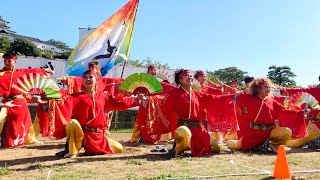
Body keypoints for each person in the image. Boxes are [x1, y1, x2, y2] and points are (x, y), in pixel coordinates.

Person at [52, 70, 143, 158]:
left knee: (119, 148)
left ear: (96, 81)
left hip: (99, 136)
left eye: (91, 77)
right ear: (83, 81)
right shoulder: (76, 97)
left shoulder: (103, 96)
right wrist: (44, 99)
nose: (88, 79)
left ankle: (94, 149)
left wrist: (137, 100)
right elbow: (61, 101)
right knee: (72, 123)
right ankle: (73, 151)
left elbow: (121, 104)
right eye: (85, 77)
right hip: (83, 135)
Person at [162, 69, 236, 157]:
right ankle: (179, 147)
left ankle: (186, 146)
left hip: (199, 129)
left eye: (191, 76)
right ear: (180, 80)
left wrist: (233, 96)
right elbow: (163, 102)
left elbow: (215, 99)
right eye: (186, 75)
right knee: (183, 131)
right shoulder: (175, 93)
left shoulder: (197, 94)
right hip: (185, 129)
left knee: (216, 149)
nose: (190, 77)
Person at [226, 77, 306, 153]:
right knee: (237, 147)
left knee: (286, 131)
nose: (269, 89)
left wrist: (302, 112)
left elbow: (284, 111)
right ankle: (230, 142)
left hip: (268, 133)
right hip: (252, 134)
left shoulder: (272, 101)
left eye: (269, 87)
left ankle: (275, 145)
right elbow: (232, 99)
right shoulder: (248, 98)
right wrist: (241, 93)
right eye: (266, 87)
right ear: (258, 88)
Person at [0, 52, 52, 148]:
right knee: (0, 118)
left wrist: (44, 70)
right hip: (7, 102)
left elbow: (33, 71)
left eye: (9, 60)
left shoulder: (20, 72)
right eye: (5, 60)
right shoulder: (1, 74)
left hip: (20, 101)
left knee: (26, 121)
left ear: (14, 61)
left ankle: (31, 139)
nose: (7, 62)